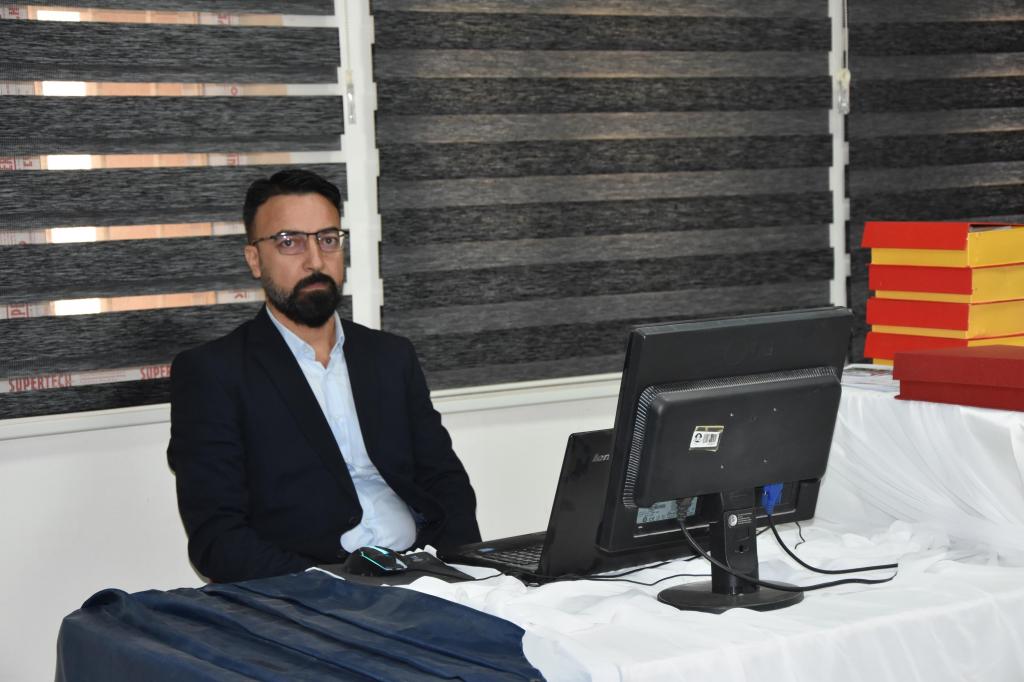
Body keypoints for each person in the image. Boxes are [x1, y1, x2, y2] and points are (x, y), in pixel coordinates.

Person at [167, 168, 480, 583]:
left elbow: (445, 483)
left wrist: (463, 573)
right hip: (314, 590)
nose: (315, 260)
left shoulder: (390, 357)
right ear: (255, 259)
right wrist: (332, 587)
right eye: (289, 241)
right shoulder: (214, 373)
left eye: (328, 239)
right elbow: (218, 539)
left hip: (424, 573)